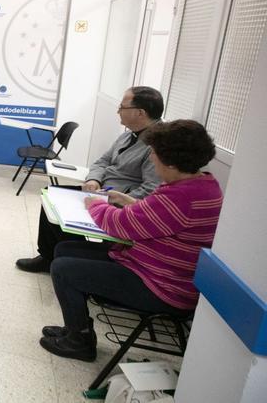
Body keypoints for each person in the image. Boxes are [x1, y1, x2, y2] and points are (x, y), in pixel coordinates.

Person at [40, 120, 222, 361]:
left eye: (154, 154)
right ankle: (76, 326)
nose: (152, 159)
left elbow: (119, 226)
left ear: (169, 160)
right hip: (153, 268)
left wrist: (96, 203)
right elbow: (159, 216)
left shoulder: (180, 196)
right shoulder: (202, 185)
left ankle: (79, 342)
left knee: (62, 269)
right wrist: (128, 201)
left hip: (161, 286)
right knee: (65, 249)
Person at [16, 86, 164, 273]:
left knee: (64, 207)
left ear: (140, 113)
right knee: (51, 195)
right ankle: (48, 256)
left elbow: (149, 190)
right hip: (101, 190)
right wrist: (95, 180)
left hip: (118, 201)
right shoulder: (129, 134)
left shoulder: (158, 145)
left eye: (122, 107)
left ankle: (69, 260)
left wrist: (112, 199)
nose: (118, 110)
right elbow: (102, 161)